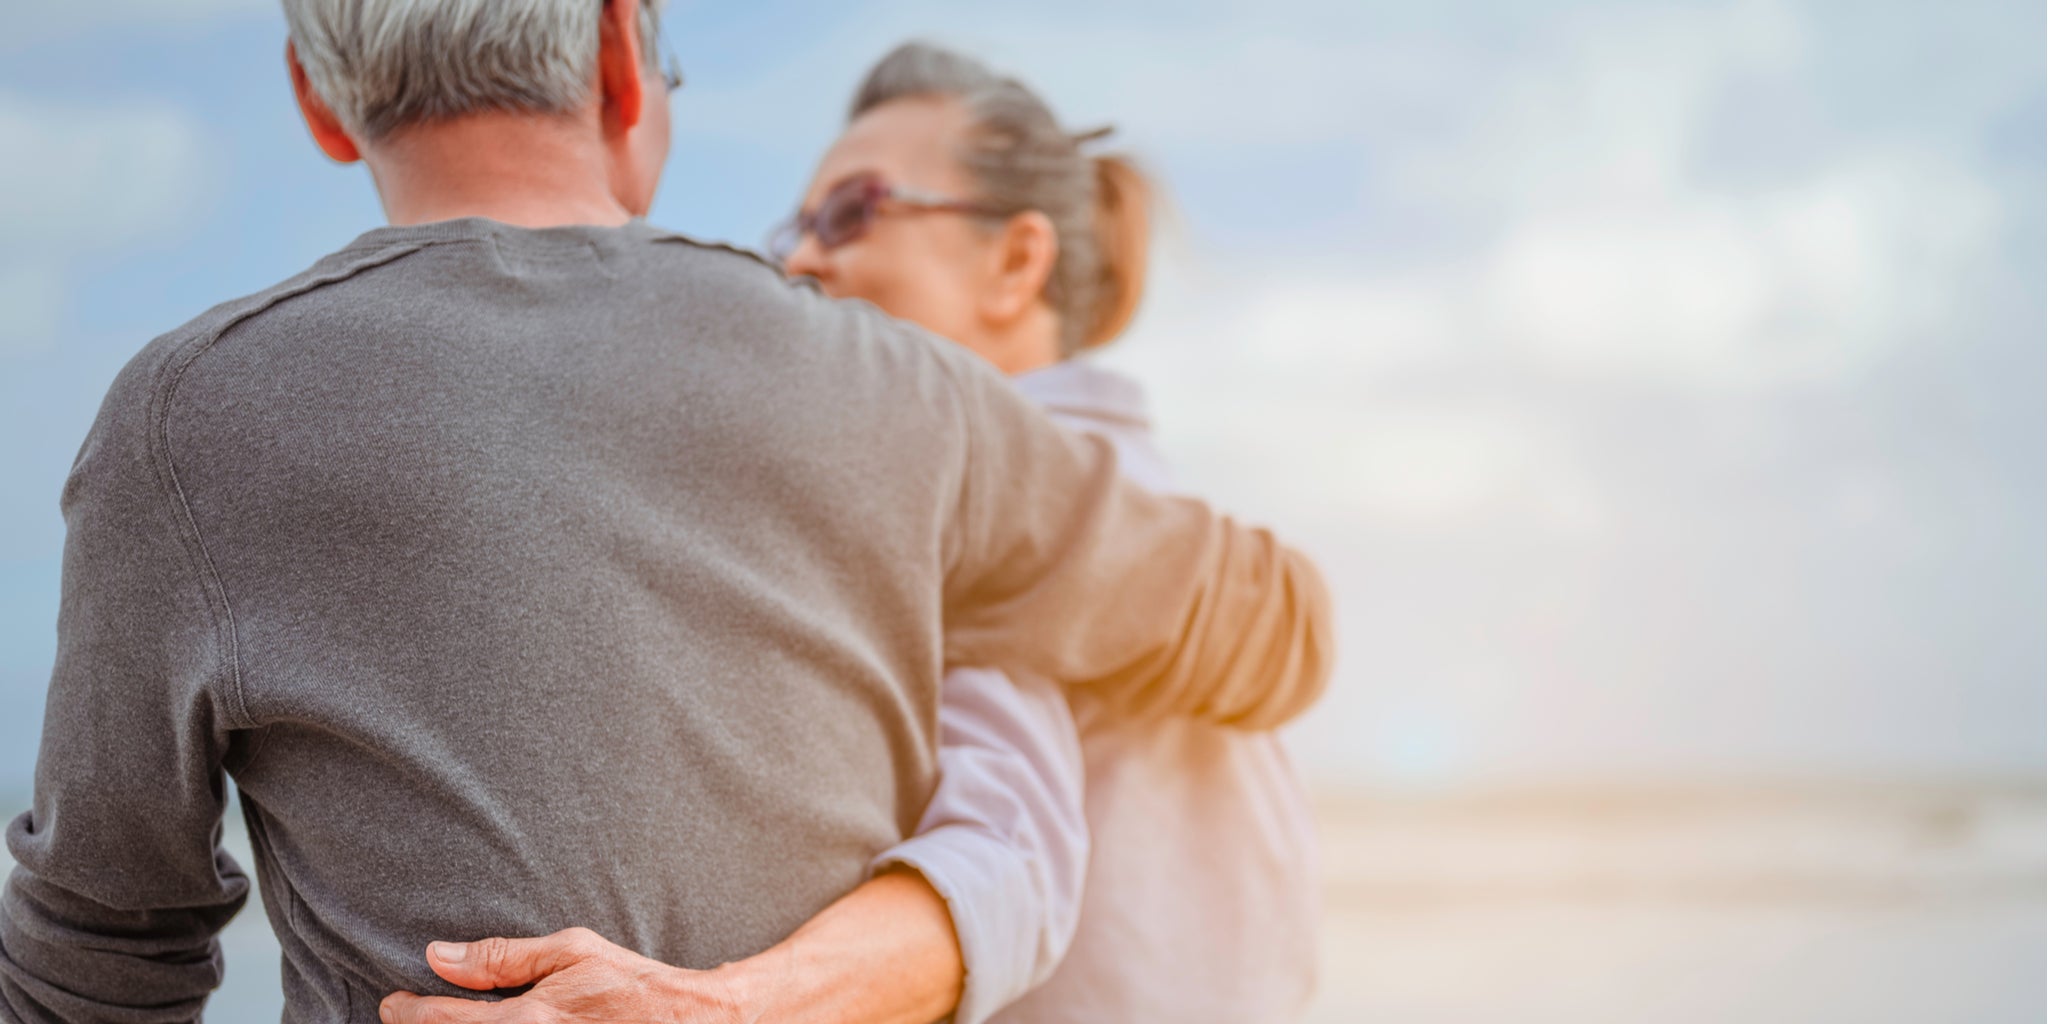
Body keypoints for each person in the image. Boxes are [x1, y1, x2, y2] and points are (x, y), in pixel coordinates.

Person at [0, 4, 1332, 1024]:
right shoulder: (895, 391)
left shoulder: (185, 415)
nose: (804, 248)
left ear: (319, 104)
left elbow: (100, 950)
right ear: (623, 58)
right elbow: (1272, 627)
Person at [773, 43, 1321, 1023]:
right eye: (797, 224)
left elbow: (1003, 850)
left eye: (851, 212)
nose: (799, 258)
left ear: (1017, 260)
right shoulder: (1134, 496)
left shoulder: (980, 511)